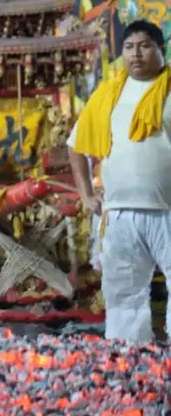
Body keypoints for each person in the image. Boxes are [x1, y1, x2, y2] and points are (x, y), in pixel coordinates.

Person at [69, 20, 171, 342]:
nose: (136, 54)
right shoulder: (107, 96)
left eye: (144, 46)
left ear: (161, 50)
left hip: (167, 210)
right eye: (128, 47)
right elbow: (77, 146)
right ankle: (130, 364)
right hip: (120, 213)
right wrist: (87, 194)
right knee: (123, 294)